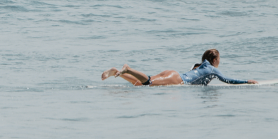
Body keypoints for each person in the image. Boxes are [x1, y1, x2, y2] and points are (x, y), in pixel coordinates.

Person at [102, 49, 256, 86]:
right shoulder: (212, 68)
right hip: (177, 79)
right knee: (148, 82)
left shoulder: (200, 65)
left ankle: (118, 73)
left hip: (173, 74)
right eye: (219, 59)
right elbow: (227, 80)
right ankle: (128, 69)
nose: (219, 62)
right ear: (215, 59)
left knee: (140, 85)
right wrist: (246, 82)